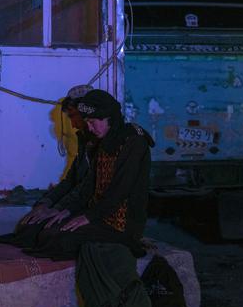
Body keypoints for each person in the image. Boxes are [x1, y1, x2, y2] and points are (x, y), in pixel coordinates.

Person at [23, 89, 155, 261]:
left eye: (93, 122)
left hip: (122, 225)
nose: (90, 128)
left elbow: (121, 190)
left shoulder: (134, 141)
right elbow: (89, 185)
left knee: (58, 239)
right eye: (87, 122)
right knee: (46, 232)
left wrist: (88, 217)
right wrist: (66, 210)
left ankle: (126, 246)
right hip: (99, 216)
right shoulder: (103, 141)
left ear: (109, 118)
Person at [0, 85, 96, 246]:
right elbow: (71, 181)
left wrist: (60, 209)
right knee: (27, 224)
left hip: (90, 210)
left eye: (74, 117)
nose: (74, 125)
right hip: (76, 203)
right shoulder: (85, 141)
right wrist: (44, 204)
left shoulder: (105, 144)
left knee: (48, 233)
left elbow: (87, 188)